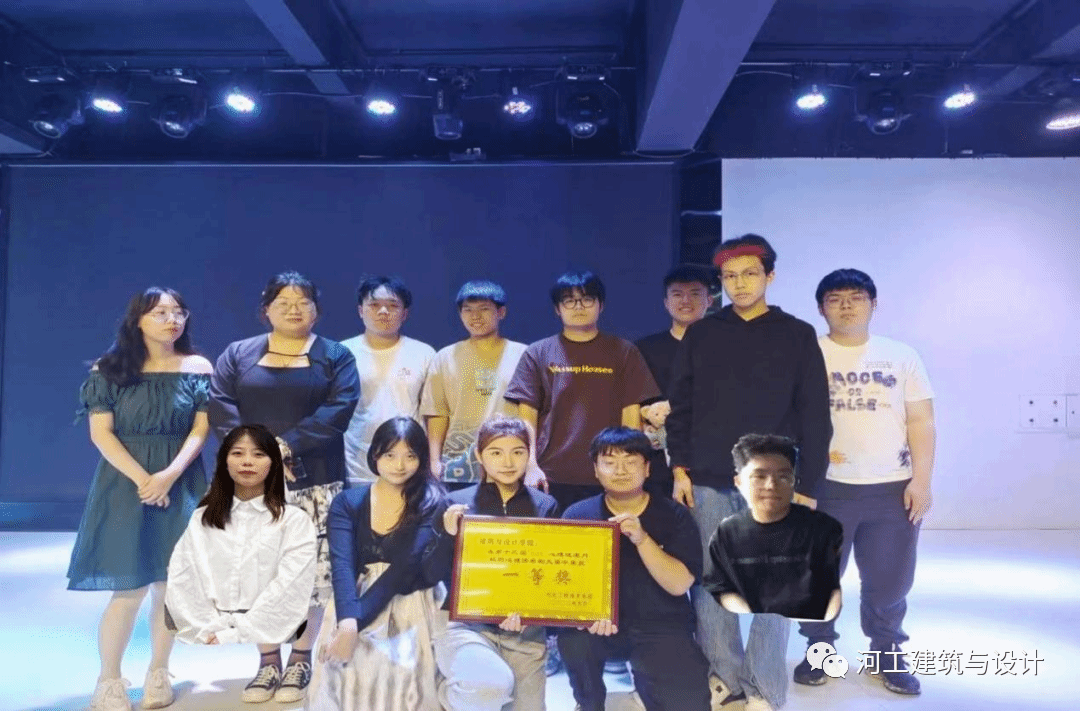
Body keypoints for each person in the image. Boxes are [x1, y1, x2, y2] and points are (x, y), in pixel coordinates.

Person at [667, 234, 832, 711]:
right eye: (730, 276)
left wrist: (809, 486)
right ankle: (725, 678)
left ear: (769, 276)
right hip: (708, 476)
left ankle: (763, 687)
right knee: (713, 583)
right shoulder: (703, 333)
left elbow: (815, 414)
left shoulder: (796, 334)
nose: (739, 284)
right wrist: (680, 468)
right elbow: (681, 407)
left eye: (750, 274)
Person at [208, 271, 360, 704]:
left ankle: (301, 657)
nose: (294, 310)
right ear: (266, 310)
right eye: (283, 302)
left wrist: (286, 445)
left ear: (317, 310)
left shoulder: (335, 356)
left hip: (316, 479)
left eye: (303, 302)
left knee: (310, 575)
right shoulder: (238, 353)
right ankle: (268, 660)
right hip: (250, 480)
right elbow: (220, 404)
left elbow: (339, 409)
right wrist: (258, 453)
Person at [68, 287, 213, 711]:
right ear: (138, 320)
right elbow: (101, 434)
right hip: (123, 483)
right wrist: (144, 481)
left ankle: (159, 673)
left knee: (170, 587)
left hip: (181, 481)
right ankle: (109, 680)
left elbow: (200, 430)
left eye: (178, 312)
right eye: (160, 312)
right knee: (128, 588)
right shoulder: (110, 369)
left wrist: (168, 476)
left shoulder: (198, 367)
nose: (172, 320)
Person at [794, 269, 935, 696]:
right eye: (835, 299)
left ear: (874, 304)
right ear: (821, 308)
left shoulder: (901, 356)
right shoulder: (806, 355)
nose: (846, 306)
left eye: (856, 297)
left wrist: (922, 481)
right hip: (825, 488)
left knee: (891, 579)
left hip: (892, 488)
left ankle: (886, 653)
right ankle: (819, 649)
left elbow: (921, 420)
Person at [558, 427, 710, 711]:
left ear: (647, 468)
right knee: (574, 640)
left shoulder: (674, 515)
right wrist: (578, 613)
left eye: (631, 461)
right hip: (600, 625)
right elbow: (563, 581)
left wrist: (642, 539)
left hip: (661, 626)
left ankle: (651, 688)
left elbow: (679, 584)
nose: (620, 470)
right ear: (596, 470)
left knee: (689, 703)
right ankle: (588, 704)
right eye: (610, 462)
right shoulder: (577, 516)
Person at [307, 417, 449, 711]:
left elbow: (404, 568)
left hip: (412, 596)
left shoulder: (431, 500)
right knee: (344, 678)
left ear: (422, 459)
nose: (400, 465)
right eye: (390, 455)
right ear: (375, 455)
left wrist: (354, 625)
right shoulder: (348, 501)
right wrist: (347, 622)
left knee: (404, 683)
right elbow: (342, 565)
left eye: (410, 456)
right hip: (354, 598)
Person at [505, 270, 660, 514]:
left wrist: (630, 469)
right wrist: (530, 464)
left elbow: (631, 416)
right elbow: (527, 417)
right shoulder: (538, 352)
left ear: (601, 305)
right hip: (549, 474)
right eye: (569, 301)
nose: (579, 306)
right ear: (557, 309)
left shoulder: (624, 351)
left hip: (609, 472)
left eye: (587, 299)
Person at [435, 417, 560, 711]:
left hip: (525, 629)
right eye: (496, 452)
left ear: (529, 455)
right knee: (486, 690)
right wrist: (447, 536)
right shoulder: (455, 503)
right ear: (479, 455)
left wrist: (532, 612)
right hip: (468, 625)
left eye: (518, 452)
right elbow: (432, 574)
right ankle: (445, 697)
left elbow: (550, 571)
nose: (508, 462)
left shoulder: (545, 505)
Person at [165, 424, 317, 649]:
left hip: (269, 633)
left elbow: (290, 587)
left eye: (258, 454)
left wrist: (238, 631)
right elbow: (184, 578)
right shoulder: (202, 518)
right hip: (207, 643)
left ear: (274, 463)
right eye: (237, 453)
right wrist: (209, 629)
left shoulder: (295, 521)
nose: (247, 462)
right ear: (224, 461)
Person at [704, 434, 843, 621]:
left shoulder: (823, 530)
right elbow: (720, 589)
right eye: (759, 477)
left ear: (794, 480)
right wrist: (749, 611)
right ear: (739, 482)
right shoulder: (726, 534)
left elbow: (831, 595)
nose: (771, 486)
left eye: (783, 477)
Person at [421, 281, 527, 488]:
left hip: (510, 461)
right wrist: (434, 460)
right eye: (467, 310)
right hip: (457, 463)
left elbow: (531, 412)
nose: (475, 316)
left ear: (501, 312)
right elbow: (437, 413)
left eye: (484, 309)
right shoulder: (444, 357)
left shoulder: (523, 354)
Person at [342, 275, 435, 484]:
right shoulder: (342, 353)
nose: (383, 311)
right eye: (374, 305)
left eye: (392, 306)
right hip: (356, 464)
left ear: (405, 313)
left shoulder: (424, 353)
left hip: (409, 464)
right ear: (360, 310)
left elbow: (432, 414)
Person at [635, 265, 716, 498]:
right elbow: (634, 404)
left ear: (709, 300)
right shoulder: (644, 349)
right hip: (657, 460)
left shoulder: (723, 349)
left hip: (709, 458)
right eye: (678, 294)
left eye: (695, 293)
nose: (686, 301)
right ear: (666, 302)